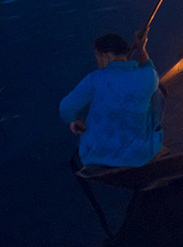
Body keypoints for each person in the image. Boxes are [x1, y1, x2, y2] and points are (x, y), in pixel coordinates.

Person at [60, 30, 163, 167]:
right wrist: (141, 48)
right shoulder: (148, 76)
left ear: (106, 56)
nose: (97, 61)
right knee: (157, 92)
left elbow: (65, 109)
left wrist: (73, 120)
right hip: (138, 155)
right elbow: (149, 70)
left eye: (97, 56)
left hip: (96, 155)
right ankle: (154, 131)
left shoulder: (95, 79)